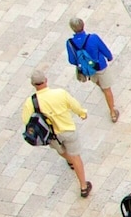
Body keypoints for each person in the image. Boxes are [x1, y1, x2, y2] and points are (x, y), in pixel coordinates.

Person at [22, 69, 93, 197]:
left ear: (33, 84)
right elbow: (74, 105)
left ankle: (70, 161)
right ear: (46, 80)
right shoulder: (60, 93)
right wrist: (82, 113)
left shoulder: (31, 102)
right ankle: (83, 185)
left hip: (51, 135)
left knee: (61, 151)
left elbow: (26, 121)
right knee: (76, 156)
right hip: (67, 130)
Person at [65, 19, 120, 122]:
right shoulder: (93, 38)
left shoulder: (70, 43)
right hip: (100, 66)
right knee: (107, 89)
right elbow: (105, 50)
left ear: (72, 29)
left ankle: (101, 86)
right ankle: (112, 112)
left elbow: (72, 60)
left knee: (97, 81)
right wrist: (109, 57)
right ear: (83, 25)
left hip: (88, 70)